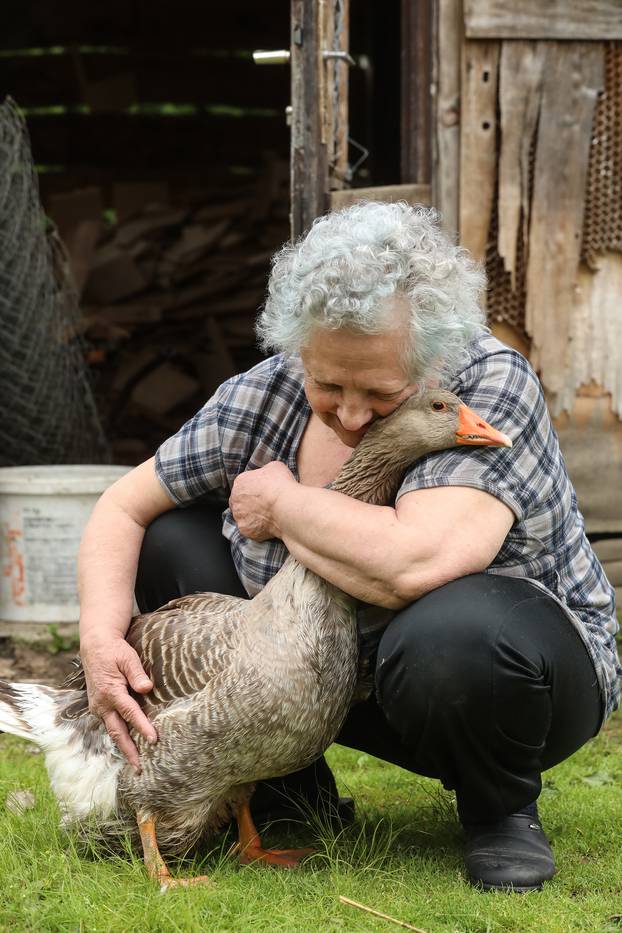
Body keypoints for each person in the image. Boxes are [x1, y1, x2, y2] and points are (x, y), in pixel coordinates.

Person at [78, 201, 619, 893]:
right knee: (169, 538)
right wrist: (99, 638)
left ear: (432, 359)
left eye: (381, 392)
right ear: (299, 346)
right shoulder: (260, 396)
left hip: (507, 679)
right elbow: (121, 505)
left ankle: (499, 808)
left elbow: (413, 564)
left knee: (451, 632)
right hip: (325, 682)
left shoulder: (484, 385)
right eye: (328, 384)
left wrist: (283, 504)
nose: (354, 413)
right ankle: (283, 785)